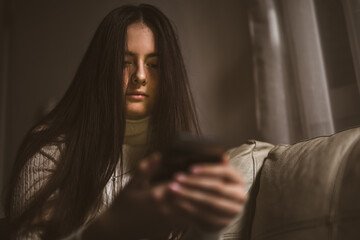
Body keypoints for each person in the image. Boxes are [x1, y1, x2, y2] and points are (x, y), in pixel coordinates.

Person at [5, 4, 247, 240]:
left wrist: (208, 229)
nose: (140, 76)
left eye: (154, 65)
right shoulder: (50, 152)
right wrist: (110, 228)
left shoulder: (180, 163)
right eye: (125, 62)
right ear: (102, 69)